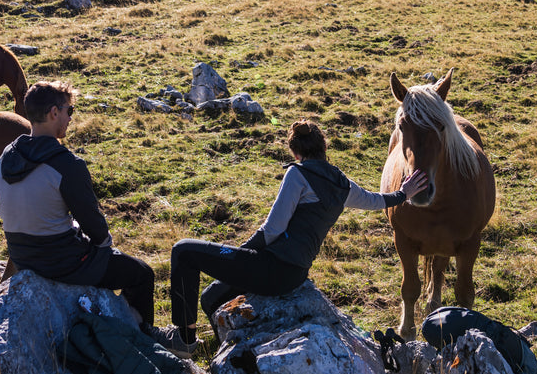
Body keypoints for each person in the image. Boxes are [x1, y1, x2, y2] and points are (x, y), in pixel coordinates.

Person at [160, 119, 428, 358]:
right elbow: (375, 200)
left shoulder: (298, 174)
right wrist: (403, 193)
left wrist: (239, 253)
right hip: (295, 274)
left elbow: (272, 230)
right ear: (324, 147)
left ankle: (183, 341)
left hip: (271, 268)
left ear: (296, 152)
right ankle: (218, 343)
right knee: (211, 296)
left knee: (183, 251)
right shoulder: (341, 182)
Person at [0, 79, 156, 325]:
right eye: (69, 111)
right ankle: (141, 338)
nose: (70, 118)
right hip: (63, 264)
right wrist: (104, 247)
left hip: (22, 256)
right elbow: (94, 226)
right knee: (141, 273)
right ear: (54, 112)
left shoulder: (5, 156)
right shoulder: (67, 165)